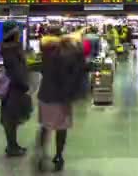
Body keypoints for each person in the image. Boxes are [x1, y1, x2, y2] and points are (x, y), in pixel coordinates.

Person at [35, 26, 86, 172]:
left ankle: (41, 153)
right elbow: (75, 65)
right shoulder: (65, 52)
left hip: (45, 94)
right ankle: (58, 156)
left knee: (45, 126)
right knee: (61, 128)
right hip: (61, 96)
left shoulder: (45, 50)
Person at [0, 21, 32, 157]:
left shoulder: (10, 47)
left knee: (12, 118)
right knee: (11, 118)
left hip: (14, 87)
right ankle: (12, 147)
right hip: (15, 88)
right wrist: (24, 84)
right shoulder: (11, 49)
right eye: (17, 31)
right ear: (13, 33)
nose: (19, 33)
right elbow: (16, 70)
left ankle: (13, 144)